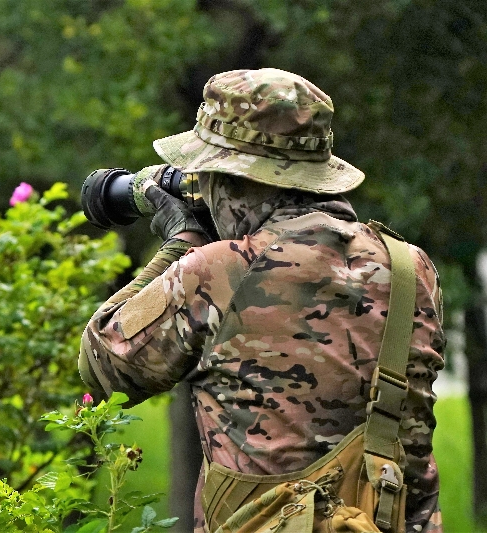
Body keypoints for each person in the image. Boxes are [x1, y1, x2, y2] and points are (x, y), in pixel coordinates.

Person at [78, 68, 445, 533]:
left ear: (235, 181)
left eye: (209, 177)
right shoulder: (411, 268)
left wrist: (181, 242)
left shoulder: (219, 271)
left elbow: (102, 367)